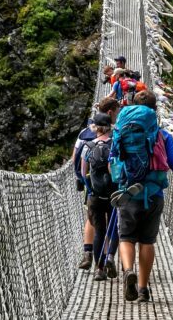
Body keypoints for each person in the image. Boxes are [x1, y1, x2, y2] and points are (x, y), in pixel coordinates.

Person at [112, 90, 173, 303]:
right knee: (147, 241)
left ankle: (127, 272)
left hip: (127, 194)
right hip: (153, 195)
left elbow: (113, 164)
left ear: (132, 106)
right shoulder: (163, 135)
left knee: (126, 237)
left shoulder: (121, 131)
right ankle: (143, 289)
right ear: (155, 111)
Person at [73, 97, 121, 269]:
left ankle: (93, 260)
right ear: (110, 115)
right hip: (114, 191)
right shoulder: (117, 139)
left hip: (94, 191)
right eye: (117, 111)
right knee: (113, 225)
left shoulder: (86, 138)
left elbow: (77, 161)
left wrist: (84, 182)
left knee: (95, 224)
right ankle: (110, 257)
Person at [82, 112, 119, 280]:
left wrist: (90, 189)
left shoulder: (88, 146)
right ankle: (110, 256)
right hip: (114, 195)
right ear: (110, 127)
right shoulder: (115, 145)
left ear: (95, 128)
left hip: (95, 196)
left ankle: (99, 269)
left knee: (99, 232)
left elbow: (83, 173)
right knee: (114, 228)